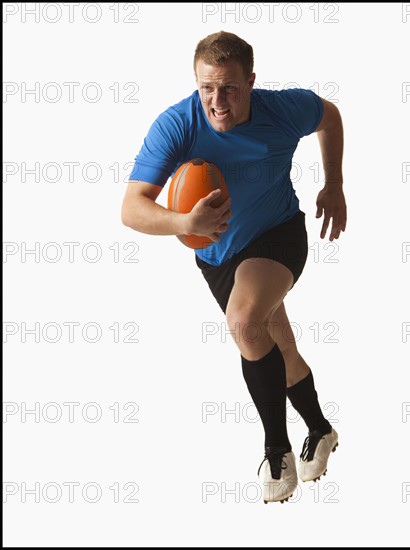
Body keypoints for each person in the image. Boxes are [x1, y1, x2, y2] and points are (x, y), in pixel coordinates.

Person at [121, 31, 346, 504]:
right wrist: (185, 221)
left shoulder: (283, 109)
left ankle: (275, 449)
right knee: (276, 348)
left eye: (230, 88)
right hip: (218, 256)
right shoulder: (177, 124)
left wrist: (334, 184)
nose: (217, 101)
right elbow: (131, 209)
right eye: (207, 88)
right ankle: (321, 429)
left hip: (278, 233)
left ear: (251, 82)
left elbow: (331, 116)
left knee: (244, 323)